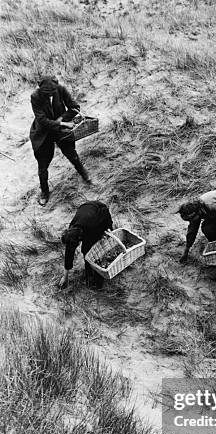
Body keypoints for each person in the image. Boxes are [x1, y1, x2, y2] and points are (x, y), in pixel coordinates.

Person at [30, 75, 91, 206]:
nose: (50, 95)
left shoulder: (61, 89)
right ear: (40, 89)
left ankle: (85, 174)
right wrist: (62, 124)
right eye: (47, 93)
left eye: (52, 92)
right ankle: (45, 192)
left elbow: (75, 108)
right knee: (43, 165)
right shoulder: (35, 96)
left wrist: (61, 119)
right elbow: (41, 120)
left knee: (72, 155)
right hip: (43, 133)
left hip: (60, 131)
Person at [59, 201, 113, 290]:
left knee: (94, 250)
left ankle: (98, 276)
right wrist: (65, 276)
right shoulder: (72, 229)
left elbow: (106, 220)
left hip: (101, 212)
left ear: (80, 238)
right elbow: (69, 253)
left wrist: (107, 230)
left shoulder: (92, 227)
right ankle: (89, 274)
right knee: (86, 251)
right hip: (85, 208)